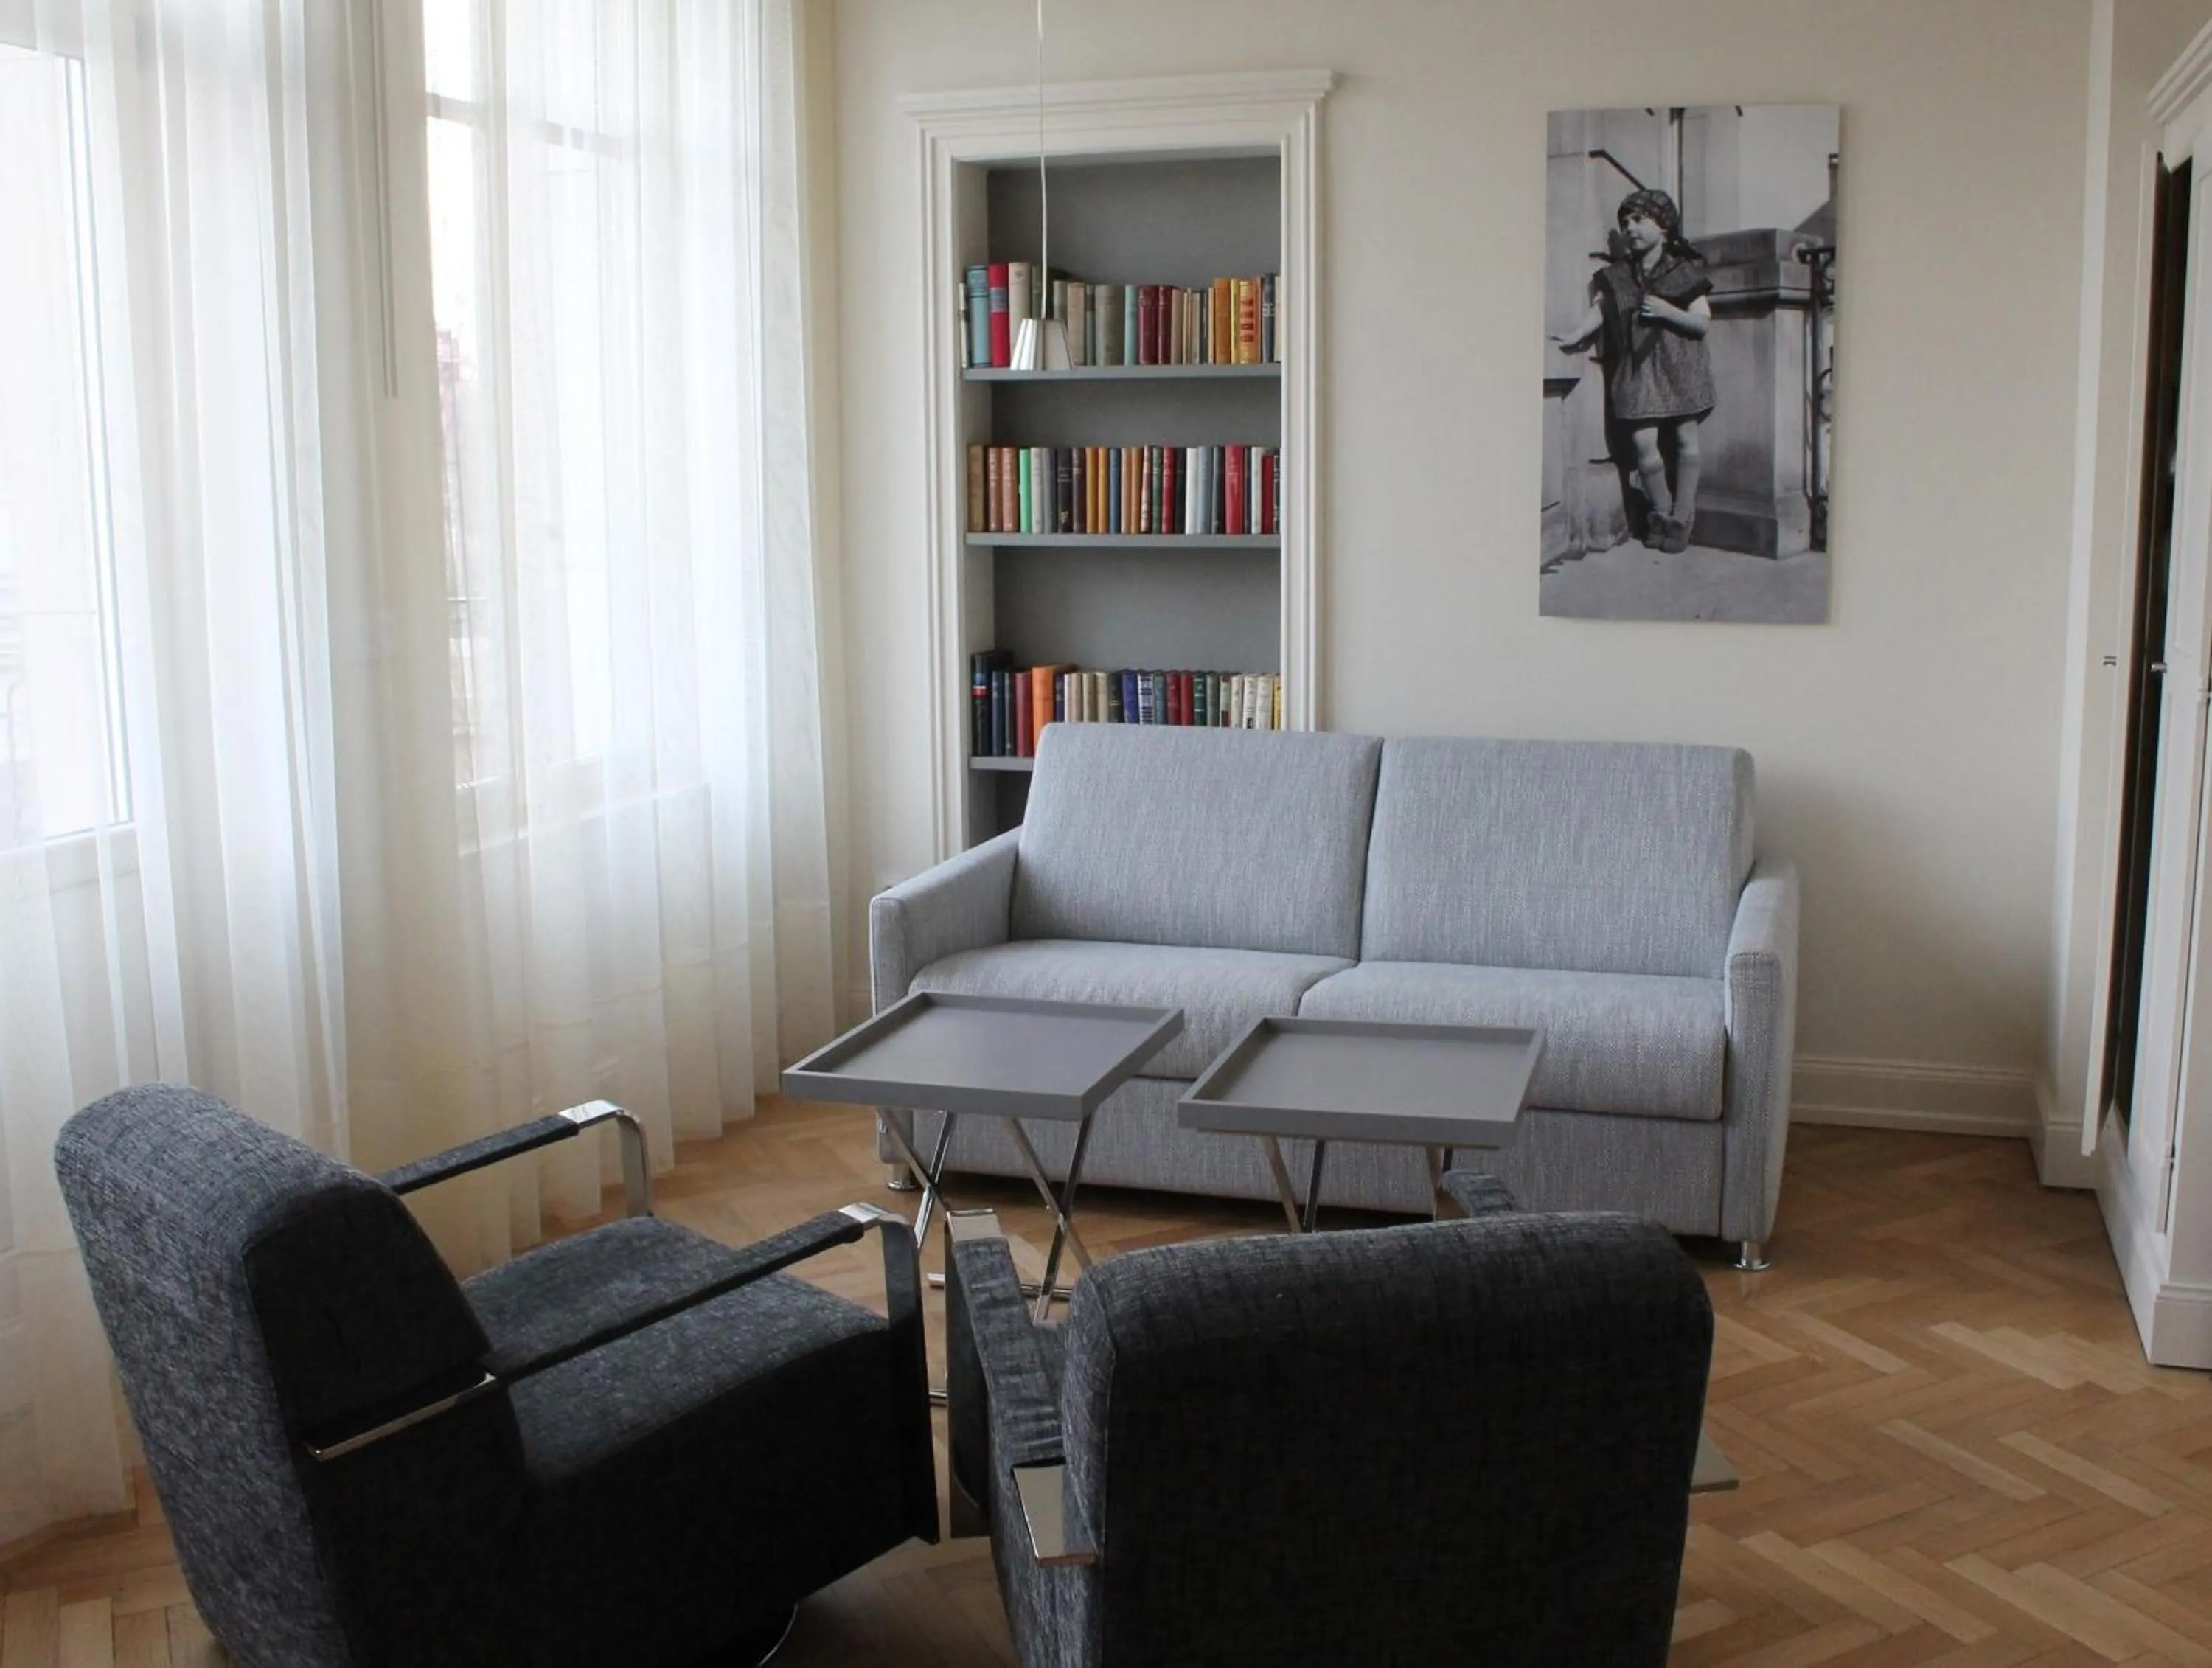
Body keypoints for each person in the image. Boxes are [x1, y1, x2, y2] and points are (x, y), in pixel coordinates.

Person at [1554, 187, 1716, 555]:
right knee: (1644, 444)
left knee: (1685, 441)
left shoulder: (1684, 270)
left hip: (1681, 365)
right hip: (1638, 369)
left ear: (1663, 227)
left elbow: (1702, 322)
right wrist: (1575, 335)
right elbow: (1600, 311)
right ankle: (1660, 514)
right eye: (1625, 222)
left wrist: (1667, 311)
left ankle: (1682, 519)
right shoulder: (1617, 275)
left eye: (1639, 220)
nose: (1630, 228)